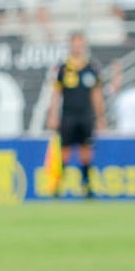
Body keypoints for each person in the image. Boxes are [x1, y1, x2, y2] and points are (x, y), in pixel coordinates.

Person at [45, 32, 106, 197]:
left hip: (86, 115)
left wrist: (100, 116)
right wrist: (53, 115)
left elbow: (96, 94)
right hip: (68, 115)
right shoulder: (62, 68)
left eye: (80, 43)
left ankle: (86, 186)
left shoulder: (92, 67)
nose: (77, 46)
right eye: (75, 43)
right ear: (70, 45)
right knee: (64, 151)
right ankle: (58, 187)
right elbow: (56, 94)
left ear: (84, 45)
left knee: (86, 151)